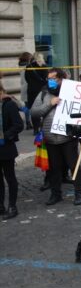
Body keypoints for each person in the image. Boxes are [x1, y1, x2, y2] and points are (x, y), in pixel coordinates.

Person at [30, 68, 81, 206]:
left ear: (61, 79)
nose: (50, 81)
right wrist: (50, 103)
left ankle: (79, 192)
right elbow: (34, 112)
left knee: (74, 166)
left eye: (53, 78)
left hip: (67, 137)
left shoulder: (71, 92)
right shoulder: (43, 93)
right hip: (50, 137)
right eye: (49, 78)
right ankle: (56, 194)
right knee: (54, 168)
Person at [0, 83, 24, 220]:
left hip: (6, 148)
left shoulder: (8, 105)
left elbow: (19, 125)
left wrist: (6, 136)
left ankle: (12, 206)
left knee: (10, 177)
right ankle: (0, 206)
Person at [25, 52, 47, 134]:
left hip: (31, 91)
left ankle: (35, 129)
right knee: (43, 108)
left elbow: (26, 79)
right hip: (42, 91)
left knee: (34, 110)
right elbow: (46, 79)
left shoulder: (28, 66)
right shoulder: (44, 67)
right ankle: (42, 127)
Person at [17, 52, 33, 130]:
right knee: (31, 106)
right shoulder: (28, 66)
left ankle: (28, 122)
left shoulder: (21, 65)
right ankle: (29, 122)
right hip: (28, 87)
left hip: (24, 87)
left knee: (27, 106)